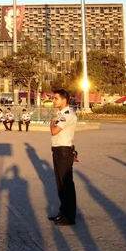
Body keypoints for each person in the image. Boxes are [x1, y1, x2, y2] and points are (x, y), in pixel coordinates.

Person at [48, 89, 77, 226]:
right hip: (58, 150)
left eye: (56, 98)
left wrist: (52, 121)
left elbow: (54, 131)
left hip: (64, 151)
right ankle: (63, 211)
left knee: (67, 185)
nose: (53, 100)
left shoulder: (67, 115)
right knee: (60, 184)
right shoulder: (61, 114)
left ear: (64, 99)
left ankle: (70, 216)